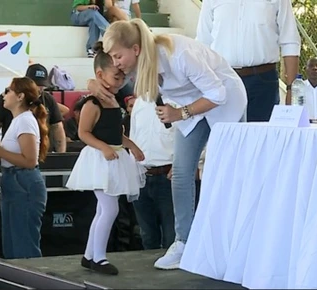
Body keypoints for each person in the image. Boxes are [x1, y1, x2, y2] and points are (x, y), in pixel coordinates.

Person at [101, 18, 247, 270]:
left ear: (135, 49)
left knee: (226, 174)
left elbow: (217, 94)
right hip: (192, 109)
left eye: (117, 56)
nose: (116, 63)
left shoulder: (179, 54)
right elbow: (105, 80)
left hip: (223, 103)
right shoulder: (139, 64)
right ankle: (184, 242)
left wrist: (180, 114)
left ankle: (235, 242)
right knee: (181, 173)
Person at [65, 41, 145, 275]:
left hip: (114, 157)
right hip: (100, 160)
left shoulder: (114, 100)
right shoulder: (92, 102)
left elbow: (115, 131)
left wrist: (131, 146)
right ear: (100, 74)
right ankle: (98, 257)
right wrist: (103, 148)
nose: (120, 82)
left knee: (105, 209)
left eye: (122, 78)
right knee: (109, 209)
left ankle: (90, 255)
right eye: (116, 77)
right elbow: (83, 133)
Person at [196, 0, 301, 121]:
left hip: (263, 82)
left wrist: (291, 90)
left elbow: (290, 41)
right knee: (227, 136)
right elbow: (202, 43)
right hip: (223, 81)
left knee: (261, 136)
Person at [0, 77, 49, 259]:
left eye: (8, 90)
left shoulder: (25, 121)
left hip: (23, 182)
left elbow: (30, 160)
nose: (3, 94)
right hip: (13, 180)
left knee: (23, 245)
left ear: (20, 96)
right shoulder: (18, 121)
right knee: (12, 244)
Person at [130, 97, 175, 250]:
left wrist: (182, 165)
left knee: (172, 236)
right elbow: (133, 135)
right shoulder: (139, 102)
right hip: (141, 174)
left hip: (169, 175)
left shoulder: (177, 99)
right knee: (147, 235)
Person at [0, 64, 66, 153]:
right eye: (35, 84)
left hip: (41, 154)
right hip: (13, 153)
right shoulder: (9, 99)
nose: (38, 88)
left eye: (42, 85)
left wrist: (60, 155)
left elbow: (57, 128)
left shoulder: (48, 100)